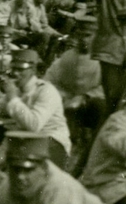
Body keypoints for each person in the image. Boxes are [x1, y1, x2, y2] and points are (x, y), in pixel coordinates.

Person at [44, 13, 107, 171]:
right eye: (81, 35)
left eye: (88, 36)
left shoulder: (104, 58)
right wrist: (62, 96)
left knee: (101, 108)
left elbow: (108, 87)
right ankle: (69, 148)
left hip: (92, 103)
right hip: (69, 104)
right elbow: (49, 80)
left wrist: (85, 96)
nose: (83, 40)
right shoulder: (67, 57)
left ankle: (94, 150)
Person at [0, 48, 72, 168]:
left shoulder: (46, 90)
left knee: (11, 156)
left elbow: (34, 125)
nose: (15, 73)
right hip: (28, 140)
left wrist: (13, 99)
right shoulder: (18, 90)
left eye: (20, 69)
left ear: (33, 70)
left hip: (52, 141)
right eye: (13, 69)